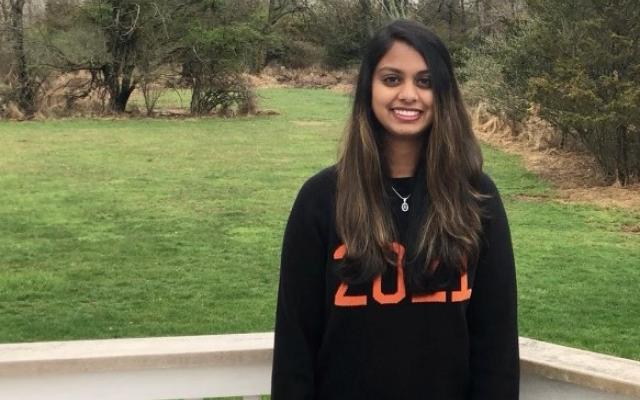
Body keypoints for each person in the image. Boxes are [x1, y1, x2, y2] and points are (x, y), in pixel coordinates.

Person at [271, 19, 519, 400]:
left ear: (444, 94)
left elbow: (496, 347)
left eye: (425, 81)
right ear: (368, 88)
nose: (408, 94)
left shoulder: (475, 197)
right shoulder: (321, 200)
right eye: (391, 79)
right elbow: (295, 348)